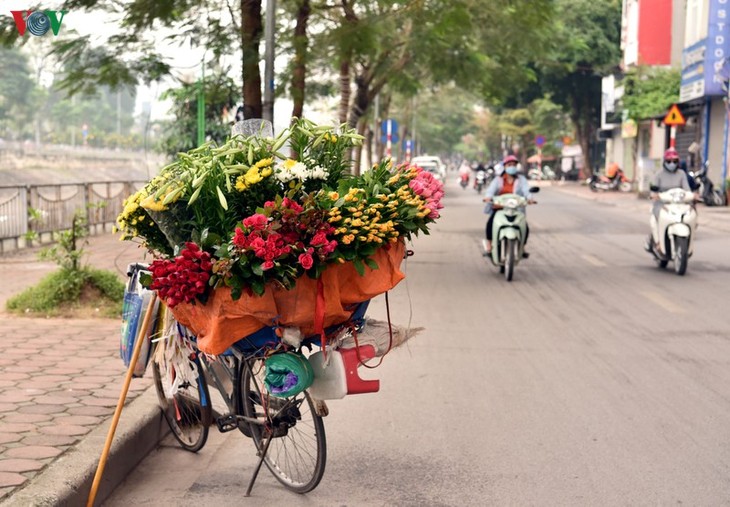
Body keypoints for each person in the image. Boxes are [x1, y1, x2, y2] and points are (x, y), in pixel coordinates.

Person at [482, 155, 535, 257]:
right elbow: (490, 191)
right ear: (505, 166)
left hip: (515, 208)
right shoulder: (498, 179)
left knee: (525, 227)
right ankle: (489, 245)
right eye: (509, 165)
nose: (512, 167)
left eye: (514, 165)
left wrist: (530, 198)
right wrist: (488, 197)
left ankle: (522, 247)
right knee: (490, 223)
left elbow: (526, 190)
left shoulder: (521, 179)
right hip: (500, 208)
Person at [645, 147, 693, 250]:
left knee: (691, 214)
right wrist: (655, 195)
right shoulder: (659, 174)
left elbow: (687, 190)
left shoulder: (681, 174)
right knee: (656, 218)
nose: (672, 164)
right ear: (665, 161)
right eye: (669, 161)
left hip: (678, 204)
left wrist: (692, 196)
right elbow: (653, 190)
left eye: (674, 161)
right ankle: (658, 242)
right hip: (662, 203)